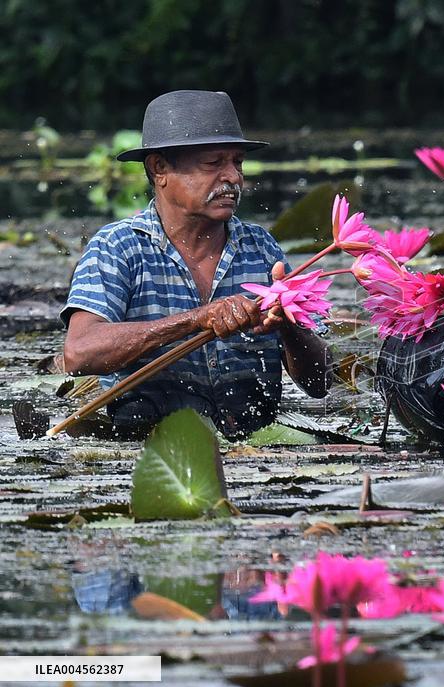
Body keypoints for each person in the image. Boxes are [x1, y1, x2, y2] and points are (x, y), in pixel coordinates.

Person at [61, 90, 332, 438]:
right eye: (213, 163)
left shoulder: (262, 249)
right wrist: (194, 321)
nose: (232, 177)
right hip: (148, 444)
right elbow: (79, 353)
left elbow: (321, 383)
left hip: (255, 446)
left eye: (237, 162)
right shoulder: (117, 248)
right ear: (159, 169)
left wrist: (289, 326)